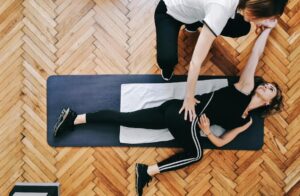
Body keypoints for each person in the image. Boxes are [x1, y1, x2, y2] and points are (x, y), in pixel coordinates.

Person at [53, 21, 283, 196]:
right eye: (268, 85)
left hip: (180, 116)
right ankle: (147, 171)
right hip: (187, 114)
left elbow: (223, 142)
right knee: (196, 154)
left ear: (268, 103)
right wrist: (267, 30)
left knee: (127, 119)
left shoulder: (247, 121)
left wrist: (209, 131)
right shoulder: (244, 88)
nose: (267, 86)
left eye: (271, 90)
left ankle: (74, 119)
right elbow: (256, 54)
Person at [155, 0, 289, 122]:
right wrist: (189, 98)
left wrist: (264, 21)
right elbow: (195, 62)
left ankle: (194, 23)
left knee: (242, 27)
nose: (259, 23)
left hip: (199, 9)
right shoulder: (220, 9)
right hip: (170, 10)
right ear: (252, 11)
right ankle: (168, 63)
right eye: (262, 18)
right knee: (167, 59)